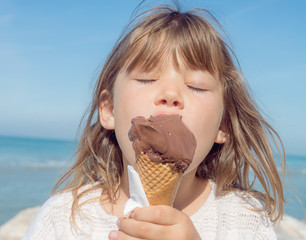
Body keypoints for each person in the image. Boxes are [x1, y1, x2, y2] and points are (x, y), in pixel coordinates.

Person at [23, 1, 286, 239]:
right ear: (109, 110)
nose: (170, 95)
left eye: (196, 86)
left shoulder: (244, 221)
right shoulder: (63, 218)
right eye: (147, 79)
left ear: (223, 125)